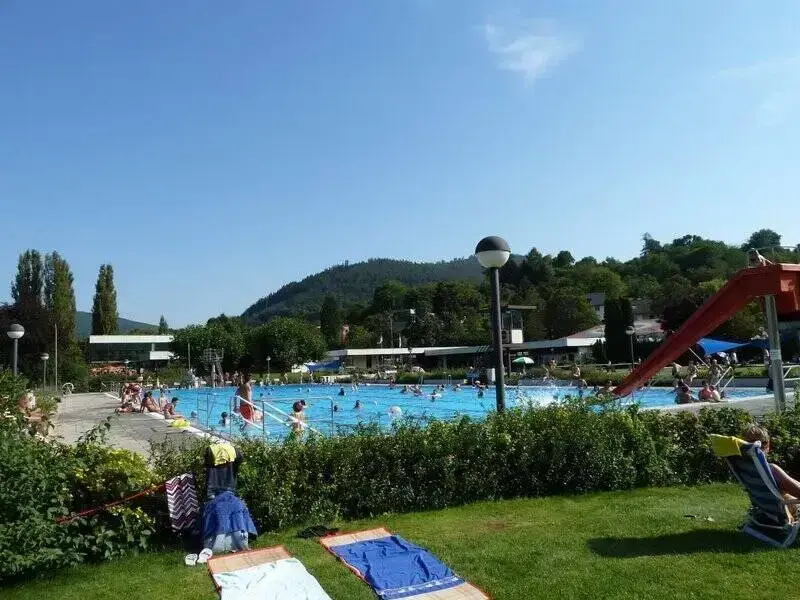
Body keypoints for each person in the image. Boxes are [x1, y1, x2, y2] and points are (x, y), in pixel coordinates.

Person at [741, 424, 800, 509]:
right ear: (767, 444)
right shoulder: (771, 470)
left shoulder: (745, 469)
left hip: (765, 511)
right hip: (785, 510)